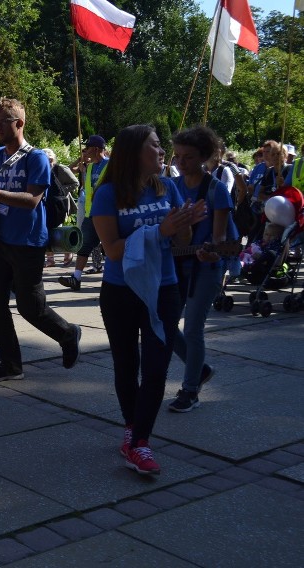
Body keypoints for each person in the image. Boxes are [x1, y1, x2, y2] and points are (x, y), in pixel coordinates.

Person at [91, 124, 205, 475]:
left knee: (156, 368)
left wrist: (184, 223)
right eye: (155, 146)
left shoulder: (168, 187)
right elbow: (111, 251)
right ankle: (132, 428)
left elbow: (178, 240)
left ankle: (139, 442)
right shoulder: (108, 194)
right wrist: (161, 230)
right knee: (127, 365)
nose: (162, 153)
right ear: (134, 153)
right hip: (121, 291)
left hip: (164, 289)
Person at [0, 97, 81, 382]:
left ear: (19, 123)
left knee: (31, 307)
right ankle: (11, 365)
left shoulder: (35, 157)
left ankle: (67, 333)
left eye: (2, 123)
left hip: (27, 242)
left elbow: (32, 200)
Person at [168, 126, 236, 412]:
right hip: (174, 265)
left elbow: (221, 240)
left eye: (189, 157)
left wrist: (211, 252)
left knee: (193, 329)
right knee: (165, 325)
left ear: (204, 157)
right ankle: (201, 369)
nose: (181, 163)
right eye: (178, 156)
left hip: (204, 269)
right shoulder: (171, 185)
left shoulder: (215, 189)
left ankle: (190, 390)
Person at [59, 134, 109, 290]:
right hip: (91, 214)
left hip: (108, 214)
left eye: (87, 149)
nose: (84, 152)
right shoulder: (91, 167)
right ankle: (76, 278)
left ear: (95, 149)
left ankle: (115, 279)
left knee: (109, 246)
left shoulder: (112, 165)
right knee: (84, 245)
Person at [42, 148, 79, 267]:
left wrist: (61, 191)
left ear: (51, 159)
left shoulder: (60, 169)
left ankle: (67, 252)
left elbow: (75, 183)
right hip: (47, 203)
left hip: (61, 204)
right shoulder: (42, 170)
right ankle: (50, 259)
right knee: (47, 228)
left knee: (58, 228)